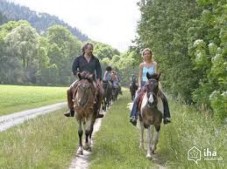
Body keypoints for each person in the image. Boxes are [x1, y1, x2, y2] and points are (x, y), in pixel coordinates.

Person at [129, 48, 171, 126]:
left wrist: (158, 85)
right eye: (145, 54)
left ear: (151, 54)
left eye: (148, 53)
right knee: (137, 98)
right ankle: (133, 116)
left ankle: (166, 117)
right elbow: (140, 76)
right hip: (144, 83)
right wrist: (139, 86)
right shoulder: (141, 65)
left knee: (164, 97)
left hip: (153, 83)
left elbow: (156, 75)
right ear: (143, 55)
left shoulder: (154, 64)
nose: (147, 55)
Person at [64, 42, 104, 118]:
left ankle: (97, 111)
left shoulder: (95, 60)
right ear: (85, 49)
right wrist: (78, 74)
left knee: (101, 92)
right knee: (69, 90)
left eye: (92, 49)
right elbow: (74, 69)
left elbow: (99, 70)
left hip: (92, 80)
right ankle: (71, 110)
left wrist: (99, 80)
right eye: (89, 49)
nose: (91, 50)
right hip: (80, 79)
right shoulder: (78, 59)